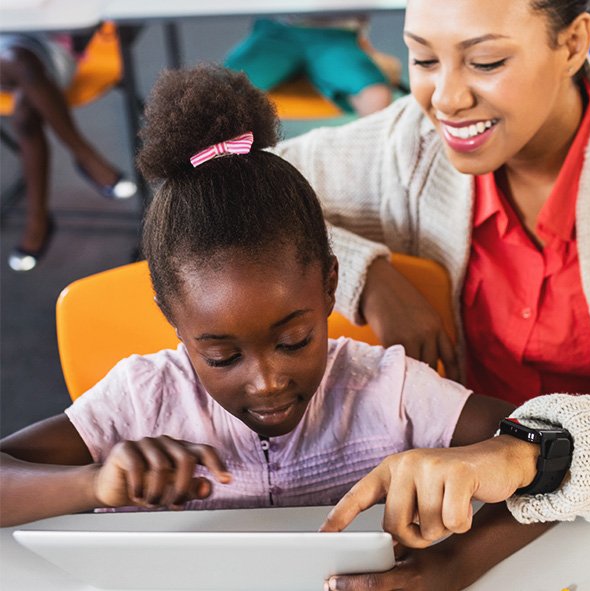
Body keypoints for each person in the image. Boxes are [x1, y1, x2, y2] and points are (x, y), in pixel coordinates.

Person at [0, 65, 550, 590]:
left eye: (294, 341)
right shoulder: (140, 402)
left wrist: (454, 566)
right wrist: (89, 483)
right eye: (221, 357)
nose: (265, 382)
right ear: (171, 318)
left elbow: (555, 452)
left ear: (331, 284)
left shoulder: (389, 393)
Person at [275, 0, 590, 549]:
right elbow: (228, 188)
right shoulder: (406, 147)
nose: (446, 99)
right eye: (423, 59)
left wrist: (524, 453)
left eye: (486, 62)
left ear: (572, 43)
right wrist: (362, 274)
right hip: (447, 517)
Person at [0, 30, 137, 272]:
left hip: (52, 49)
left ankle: (38, 221)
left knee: (24, 113)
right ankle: (84, 154)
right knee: (19, 62)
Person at [224, 16, 399, 116]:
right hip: (279, 29)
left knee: (375, 95)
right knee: (222, 88)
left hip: (335, 34)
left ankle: (373, 160)